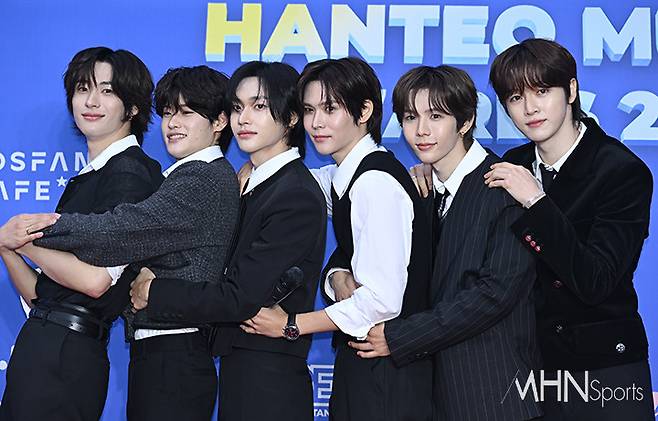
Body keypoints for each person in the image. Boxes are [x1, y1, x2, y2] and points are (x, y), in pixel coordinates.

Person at [29, 65, 240, 420]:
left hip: (174, 356)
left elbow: (120, 232)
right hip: (164, 354)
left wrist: (38, 229)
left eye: (187, 113)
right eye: (169, 113)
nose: (173, 124)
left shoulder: (202, 179)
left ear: (219, 121)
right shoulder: (190, 176)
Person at [127, 61, 327, 421]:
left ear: (291, 117)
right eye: (237, 107)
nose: (243, 119)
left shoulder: (293, 193)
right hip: (240, 371)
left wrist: (155, 291)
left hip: (269, 382)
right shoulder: (255, 184)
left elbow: (239, 298)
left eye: (259, 106)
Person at [242, 57, 434, 421]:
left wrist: (290, 324)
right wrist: (337, 275)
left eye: (330, 109)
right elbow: (298, 182)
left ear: (364, 111)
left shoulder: (374, 183)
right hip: (366, 365)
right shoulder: (346, 174)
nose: (316, 123)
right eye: (309, 110)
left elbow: (381, 301)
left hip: (388, 375)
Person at [485, 38, 655, 419]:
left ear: (571, 90)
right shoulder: (512, 165)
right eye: (516, 97)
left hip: (605, 369)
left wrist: (537, 202)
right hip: (530, 371)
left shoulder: (621, 171)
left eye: (542, 91)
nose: (530, 108)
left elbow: (596, 279)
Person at [0, 47, 163, 421]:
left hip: (67, 354)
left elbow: (95, 281)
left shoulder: (130, 174)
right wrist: (7, 248)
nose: (91, 101)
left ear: (133, 107)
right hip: (45, 344)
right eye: (82, 88)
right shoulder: (92, 176)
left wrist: (26, 241)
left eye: (107, 91)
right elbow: (41, 295)